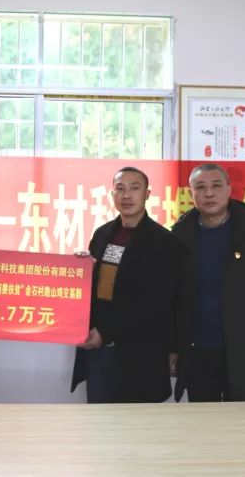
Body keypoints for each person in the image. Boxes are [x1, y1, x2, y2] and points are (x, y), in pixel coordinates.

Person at [172, 163, 245, 402]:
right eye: (200, 187)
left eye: (216, 186)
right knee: (205, 421)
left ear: (228, 189)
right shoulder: (180, 235)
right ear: (191, 193)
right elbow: (173, 301)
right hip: (199, 350)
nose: (208, 193)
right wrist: (173, 349)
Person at [71, 166, 182, 403]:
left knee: (138, 422)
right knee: (100, 420)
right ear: (112, 195)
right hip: (100, 351)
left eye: (134, 188)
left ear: (147, 194)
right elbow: (97, 287)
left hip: (140, 352)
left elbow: (155, 302)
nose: (126, 195)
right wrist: (81, 268)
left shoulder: (164, 242)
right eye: (120, 189)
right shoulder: (102, 234)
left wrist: (106, 332)